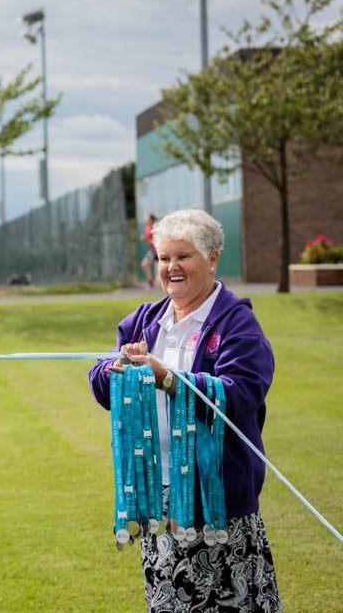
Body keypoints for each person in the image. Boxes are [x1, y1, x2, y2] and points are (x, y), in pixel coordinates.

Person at [87, 209, 281, 612]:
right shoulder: (143, 321)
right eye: (164, 258)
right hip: (161, 504)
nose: (172, 267)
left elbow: (242, 393)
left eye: (184, 256)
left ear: (212, 259)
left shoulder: (237, 324)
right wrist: (117, 369)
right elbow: (101, 381)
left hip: (218, 506)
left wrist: (167, 377)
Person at [141, 212, 158, 288]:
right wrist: (144, 238)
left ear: (151, 219)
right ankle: (150, 282)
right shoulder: (147, 228)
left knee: (165, 267)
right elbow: (147, 237)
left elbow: (157, 239)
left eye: (147, 218)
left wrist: (150, 240)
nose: (145, 220)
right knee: (144, 264)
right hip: (153, 251)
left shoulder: (156, 227)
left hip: (158, 250)